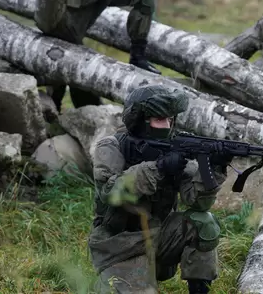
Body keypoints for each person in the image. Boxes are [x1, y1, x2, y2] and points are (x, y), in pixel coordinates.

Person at [88, 85, 229, 293]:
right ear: (139, 120)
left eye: (170, 119)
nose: (167, 125)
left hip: (160, 236)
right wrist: (158, 168)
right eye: (159, 119)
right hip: (119, 245)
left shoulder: (175, 146)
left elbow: (198, 202)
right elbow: (111, 193)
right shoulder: (112, 146)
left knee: (203, 222)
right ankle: (109, 281)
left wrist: (213, 168)